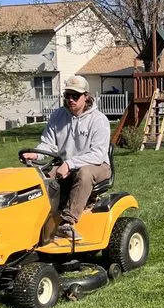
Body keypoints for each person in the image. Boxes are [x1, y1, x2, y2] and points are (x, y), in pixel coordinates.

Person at [23, 75, 111, 239]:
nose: (71, 99)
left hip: (97, 165)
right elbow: (48, 145)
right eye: (68, 95)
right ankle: (35, 221)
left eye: (75, 96)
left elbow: (98, 154)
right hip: (66, 164)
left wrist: (70, 164)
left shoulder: (99, 120)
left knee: (84, 173)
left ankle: (67, 223)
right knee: (39, 178)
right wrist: (36, 153)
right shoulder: (58, 116)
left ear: (86, 96)